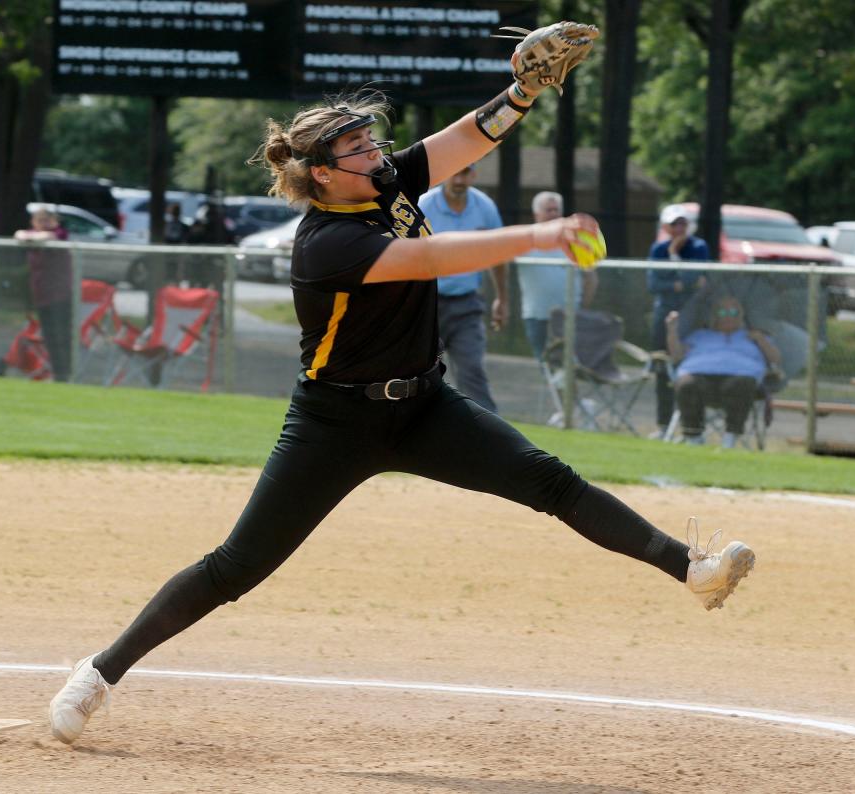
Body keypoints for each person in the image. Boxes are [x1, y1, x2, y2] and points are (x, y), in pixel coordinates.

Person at [49, 23, 755, 746]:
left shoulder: (382, 184)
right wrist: (538, 236)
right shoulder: (329, 244)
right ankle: (99, 673)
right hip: (334, 424)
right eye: (357, 146)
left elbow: (462, 142)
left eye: (370, 140)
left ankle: (692, 569)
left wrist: (524, 91)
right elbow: (436, 257)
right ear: (321, 171)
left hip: (424, 405)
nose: (375, 152)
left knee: (551, 481)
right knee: (236, 567)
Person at [418, 163, 506, 412]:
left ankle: (490, 439)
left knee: (473, 372)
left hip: (467, 305)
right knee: (421, 375)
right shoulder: (424, 205)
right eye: (454, 172)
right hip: (428, 306)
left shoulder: (484, 207)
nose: (459, 179)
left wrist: (502, 298)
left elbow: (497, 254)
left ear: (473, 175)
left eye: (465, 173)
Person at [666, 294, 781, 448]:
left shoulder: (753, 337)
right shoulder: (699, 335)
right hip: (699, 377)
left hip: (739, 379)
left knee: (742, 384)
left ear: (741, 316)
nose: (728, 317)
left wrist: (761, 340)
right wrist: (672, 331)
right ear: (714, 316)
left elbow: (775, 360)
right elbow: (677, 355)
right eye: (723, 313)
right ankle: (693, 438)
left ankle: (730, 437)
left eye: (733, 313)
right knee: (686, 384)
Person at [647, 205, 708, 437]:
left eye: (683, 223)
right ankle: (663, 425)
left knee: (693, 370)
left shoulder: (699, 247)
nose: (680, 228)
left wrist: (674, 269)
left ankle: (693, 429)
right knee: (663, 369)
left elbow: (694, 279)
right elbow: (653, 285)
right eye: (675, 224)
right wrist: (673, 256)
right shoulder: (658, 249)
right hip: (663, 316)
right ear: (666, 227)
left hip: (692, 317)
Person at [517, 190, 599, 360]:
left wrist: (581, 309)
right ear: (536, 214)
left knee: (571, 365)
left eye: (556, 210)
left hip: (569, 317)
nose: (554, 214)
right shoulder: (522, 241)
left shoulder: (575, 242)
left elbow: (591, 278)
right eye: (549, 210)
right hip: (537, 316)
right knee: (545, 364)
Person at [14, 207, 73, 382]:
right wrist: (30, 236)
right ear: (33, 222)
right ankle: (58, 373)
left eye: (47, 220)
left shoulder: (60, 233)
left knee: (62, 335)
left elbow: (49, 237)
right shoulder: (32, 235)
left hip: (61, 295)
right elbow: (19, 234)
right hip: (42, 295)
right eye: (39, 220)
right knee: (49, 336)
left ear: (55, 221)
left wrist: (33, 237)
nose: (44, 224)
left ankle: (66, 373)